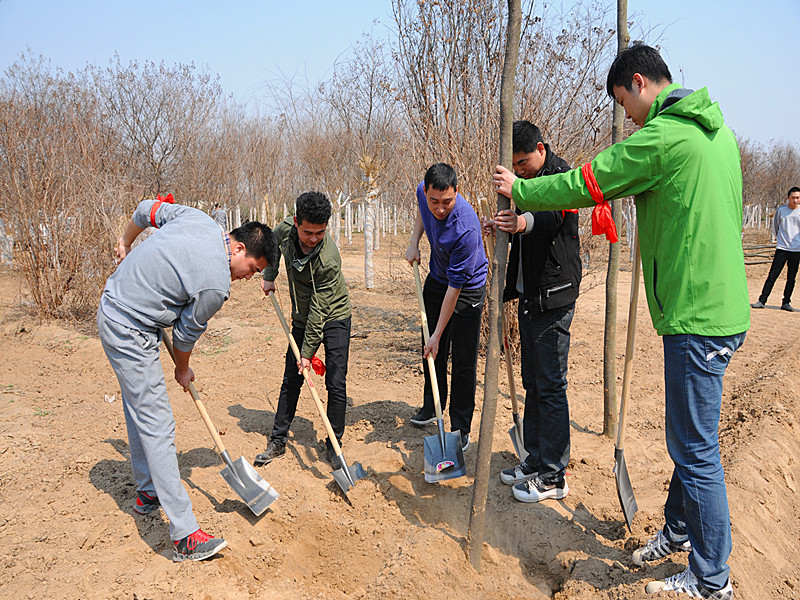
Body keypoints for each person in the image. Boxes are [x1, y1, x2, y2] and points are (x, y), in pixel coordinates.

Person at [493, 43, 749, 599]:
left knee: (696, 451)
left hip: (696, 315)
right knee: (691, 439)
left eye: (623, 103)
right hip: (722, 307)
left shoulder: (665, 137)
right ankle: (679, 530)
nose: (627, 116)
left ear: (638, 82)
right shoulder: (718, 135)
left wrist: (523, 190)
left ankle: (712, 580)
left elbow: (590, 181)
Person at [97, 195, 278, 562]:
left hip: (116, 309)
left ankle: (148, 491)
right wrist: (183, 368)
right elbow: (183, 337)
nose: (249, 277)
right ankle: (184, 535)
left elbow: (145, 210)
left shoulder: (197, 219)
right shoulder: (215, 286)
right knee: (158, 424)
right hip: (128, 326)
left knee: (139, 408)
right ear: (238, 248)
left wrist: (126, 242)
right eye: (253, 268)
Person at [483, 121, 581, 503]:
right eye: (515, 166)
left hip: (554, 296)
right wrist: (503, 226)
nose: (520, 171)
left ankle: (555, 475)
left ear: (540, 149)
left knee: (552, 385)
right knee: (534, 383)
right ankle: (536, 459)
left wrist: (522, 221)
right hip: (529, 296)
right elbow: (522, 230)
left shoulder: (561, 174)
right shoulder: (523, 181)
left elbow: (553, 216)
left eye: (523, 163)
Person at [255, 191, 352, 469]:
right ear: (296, 222)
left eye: (320, 233)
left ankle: (334, 444)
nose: (313, 239)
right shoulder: (285, 229)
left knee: (335, 381)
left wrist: (307, 354)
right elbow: (272, 247)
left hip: (334, 316)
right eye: (308, 232)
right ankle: (278, 440)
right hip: (301, 316)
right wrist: (269, 276)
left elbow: (319, 312)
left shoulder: (328, 260)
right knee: (291, 379)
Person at [405, 163, 488, 452]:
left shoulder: (466, 227)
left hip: (466, 289)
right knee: (429, 351)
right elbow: (422, 209)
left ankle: (460, 427)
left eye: (447, 202)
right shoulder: (423, 192)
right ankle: (432, 406)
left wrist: (438, 334)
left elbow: (455, 290)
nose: (440, 208)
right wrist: (414, 241)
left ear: (457, 192)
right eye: (434, 201)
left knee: (463, 360)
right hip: (438, 277)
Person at [750, 186, 800, 312]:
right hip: (782, 248)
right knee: (773, 275)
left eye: (798, 198)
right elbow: (776, 227)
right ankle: (762, 300)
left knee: (791, 277)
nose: (795, 200)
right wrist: (780, 240)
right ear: (788, 198)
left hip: (796, 249)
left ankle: (786, 302)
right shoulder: (781, 210)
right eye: (793, 197)